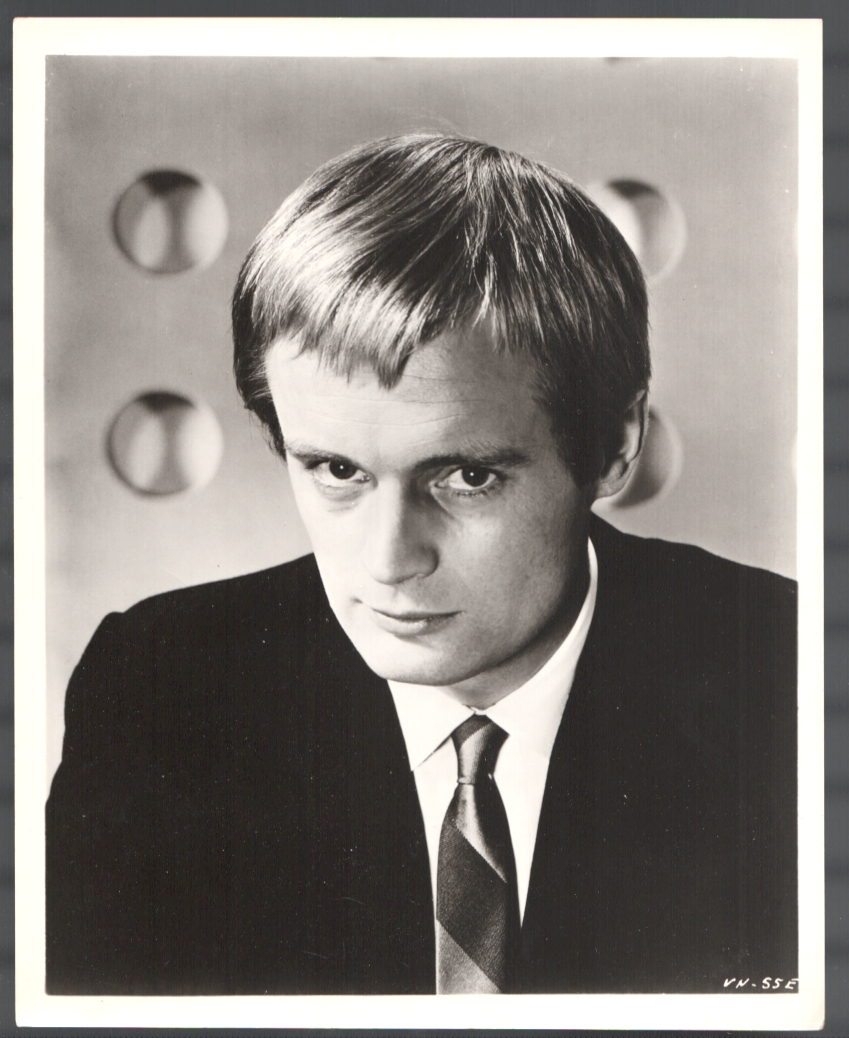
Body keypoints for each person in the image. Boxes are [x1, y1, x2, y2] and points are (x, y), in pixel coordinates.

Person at [46, 133, 797, 996]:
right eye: (336, 470)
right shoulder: (158, 690)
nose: (388, 560)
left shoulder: (787, 675)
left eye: (467, 477)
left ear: (615, 443)